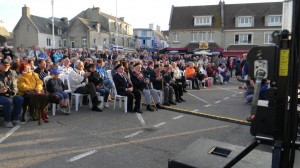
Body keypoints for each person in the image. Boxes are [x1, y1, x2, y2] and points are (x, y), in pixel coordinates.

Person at [0, 59, 24, 127]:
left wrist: (12, 93)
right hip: (1, 95)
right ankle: (7, 120)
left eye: (7, 65)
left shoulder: (13, 72)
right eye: (4, 65)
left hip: (9, 94)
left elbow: (15, 86)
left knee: (19, 99)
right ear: (0, 65)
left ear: (10, 65)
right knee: (7, 101)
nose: (6, 67)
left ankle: (15, 119)